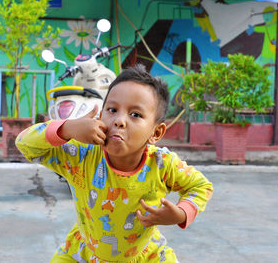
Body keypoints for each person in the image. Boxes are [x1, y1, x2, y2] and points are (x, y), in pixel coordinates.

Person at [16, 64, 213, 262]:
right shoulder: (80, 154)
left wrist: (180, 214)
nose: (119, 120)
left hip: (145, 256)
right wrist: (67, 128)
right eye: (112, 109)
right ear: (100, 115)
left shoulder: (163, 164)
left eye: (135, 114)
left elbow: (201, 186)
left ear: (156, 133)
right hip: (84, 254)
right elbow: (24, 143)